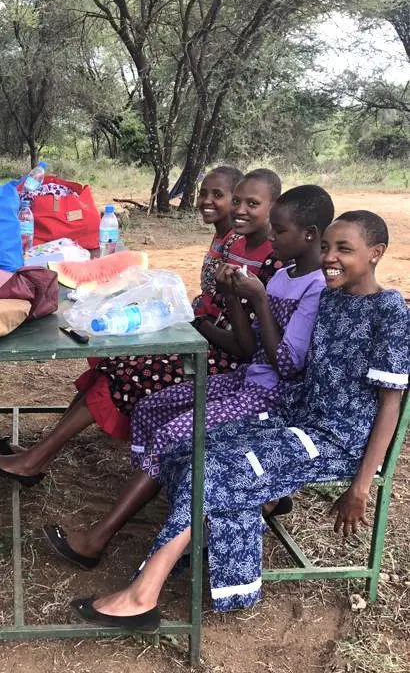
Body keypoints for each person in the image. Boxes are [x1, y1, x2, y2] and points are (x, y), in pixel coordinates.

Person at [71, 210, 409, 630]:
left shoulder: (390, 312)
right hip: (293, 416)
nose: (329, 258)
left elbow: (390, 405)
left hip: (338, 440)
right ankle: (240, 522)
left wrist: (361, 486)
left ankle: (143, 594)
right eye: (326, 247)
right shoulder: (331, 298)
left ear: (376, 254)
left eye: (344, 249)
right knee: (191, 445)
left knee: (214, 470)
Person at [45, 184, 334, 568]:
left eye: (280, 232)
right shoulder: (283, 277)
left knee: (171, 434)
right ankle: (168, 500)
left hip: (274, 398)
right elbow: (249, 349)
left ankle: (98, 539)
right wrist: (233, 297)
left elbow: (288, 365)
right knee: (150, 408)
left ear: (309, 234)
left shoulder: (316, 289)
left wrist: (260, 298)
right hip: (247, 379)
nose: (274, 239)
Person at [0, 167, 282, 485]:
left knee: (125, 370)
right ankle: (40, 453)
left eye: (223, 196)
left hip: (223, 357)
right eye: (207, 194)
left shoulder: (269, 256)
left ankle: (34, 460)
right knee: (114, 360)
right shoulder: (234, 242)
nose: (213, 202)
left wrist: (199, 324)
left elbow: (245, 334)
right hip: (204, 333)